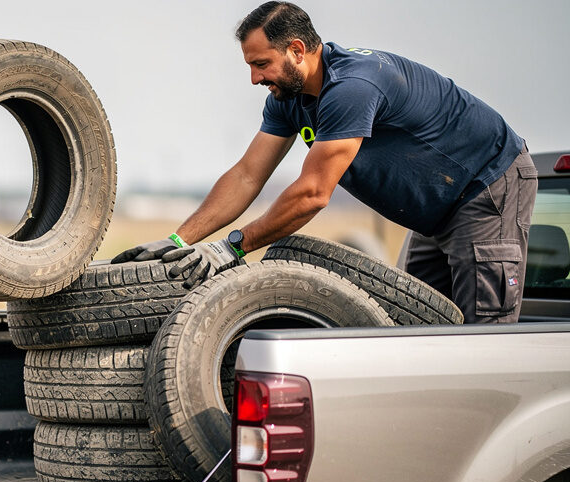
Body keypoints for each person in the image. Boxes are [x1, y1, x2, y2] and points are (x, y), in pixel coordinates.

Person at [113, 1, 537, 324]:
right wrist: (179, 241)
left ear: (297, 50)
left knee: (483, 336)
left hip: (485, 188)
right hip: (435, 212)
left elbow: (314, 194)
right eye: (250, 66)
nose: (255, 78)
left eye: (261, 64)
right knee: (416, 325)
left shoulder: (352, 87)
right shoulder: (288, 99)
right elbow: (246, 176)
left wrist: (231, 247)